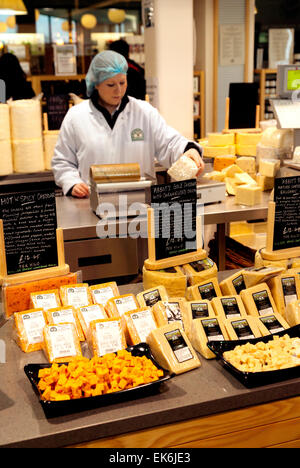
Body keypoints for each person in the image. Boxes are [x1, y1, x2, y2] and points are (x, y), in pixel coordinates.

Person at [52, 50, 204, 198]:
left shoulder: (144, 112)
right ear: (96, 84)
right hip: (92, 203)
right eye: (111, 85)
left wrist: (189, 150)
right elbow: (62, 161)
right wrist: (71, 183)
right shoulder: (76, 117)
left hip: (140, 202)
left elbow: (169, 143)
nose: (118, 90)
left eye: (122, 82)